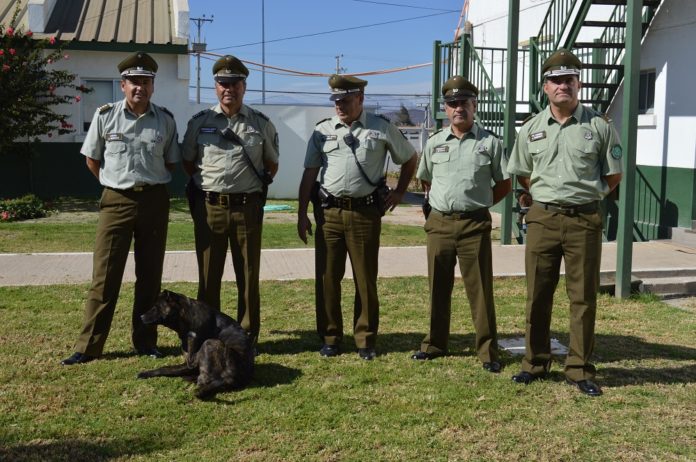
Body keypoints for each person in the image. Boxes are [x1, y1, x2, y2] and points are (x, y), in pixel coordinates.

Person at [507, 49, 623, 396]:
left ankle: (579, 369)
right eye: (556, 81)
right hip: (542, 218)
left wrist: (589, 195)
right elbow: (524, 173)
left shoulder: (599, 126)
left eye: (569, 80)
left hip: (584, 219)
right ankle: (535, 363)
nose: (563, 87)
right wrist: (546, 196)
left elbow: (613, 174)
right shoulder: (529, 129)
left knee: (583, 297)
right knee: (537, 294)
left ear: (578, 84)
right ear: (545, 87)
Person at [62, 52, 181, 365]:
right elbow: (92, 159)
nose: (139, 87)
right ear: (123, 85)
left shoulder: (165, 120)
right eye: (133, 82)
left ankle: (145, 342)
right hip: (116, 200)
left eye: (146, 81)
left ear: (153, 86)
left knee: (149, 276)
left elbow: (171, 161)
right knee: (104, 276)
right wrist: (112, 183)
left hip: (154, 200)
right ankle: (89, 346)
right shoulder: (105, 116)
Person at [297, 75, 417, 360]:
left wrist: (400, 192)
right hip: (329, 213)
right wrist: (301, 213)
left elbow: (410, 158)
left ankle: (365, 339)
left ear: (360, 99)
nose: (339, 105)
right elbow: (310, 173)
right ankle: (330, 336)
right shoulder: (322, 131)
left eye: (345, 100)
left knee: (365, 279)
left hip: (364, 213)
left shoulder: (381, 127)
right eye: (336, 101)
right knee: (327, 278)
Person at [410, 76, 510, 372]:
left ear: (474, 105)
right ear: (445, 108)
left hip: (474, 225)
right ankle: (434, 344)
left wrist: (477, 202)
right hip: (439, 223)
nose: (458, 109)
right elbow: (425, 178)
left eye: (464, 103)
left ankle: (488, 352)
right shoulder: (435, 143)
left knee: (479, 291)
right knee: (437, 287)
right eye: (452, 104)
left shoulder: (489, 142)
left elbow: (503, 184)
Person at [181, 55, 279, 348]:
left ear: (244, 86)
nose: (229, 89)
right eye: (223, 84)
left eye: (234, 84)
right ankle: (208, 334)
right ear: (215, 87)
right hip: (210, 208)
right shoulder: (200, 123)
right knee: (208, 276)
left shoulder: (260, 123)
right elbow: (189, 163)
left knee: (248, 276)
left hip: (247, 208)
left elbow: (271, 165)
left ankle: (247, 335)